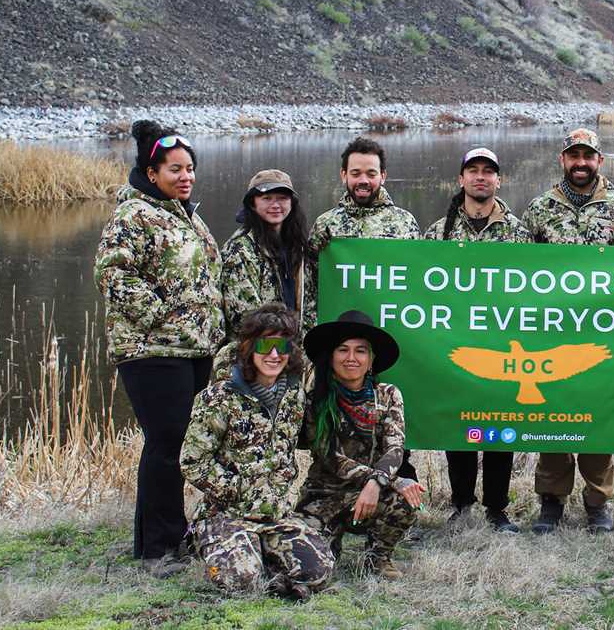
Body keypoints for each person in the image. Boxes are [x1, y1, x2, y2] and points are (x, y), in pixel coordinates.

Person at [94, 120, 223, 575]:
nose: (185, 177)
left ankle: (159, 536)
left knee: (177, 443)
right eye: (175, 170)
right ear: (152, 173)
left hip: (193, 349)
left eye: (189, 169)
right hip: (153, 351)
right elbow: (113, 275)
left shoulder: (186, 215)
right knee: (166, 443)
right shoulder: (133, 216)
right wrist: (165, 319)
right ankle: (158, 550)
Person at [521, 127, 614, 534]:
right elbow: (519, 275)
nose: (581, 163)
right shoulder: (538, 210)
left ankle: (597, 502)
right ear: (563, 160)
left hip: (601, 334)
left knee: (597, 418)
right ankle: (551, 501)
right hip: (551, 332)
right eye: (574, 155)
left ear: (599, 161)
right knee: (551, 416)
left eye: (588, 156)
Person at [179, 304, 333, 599]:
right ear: (249, 347)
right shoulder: (219, 398)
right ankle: (214, 544)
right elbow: (192, 461)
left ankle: (263, 559)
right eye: (266, 345)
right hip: (226, 514)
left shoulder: (293, 395)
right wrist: (239, 490)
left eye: (283, 346)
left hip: (275, 515)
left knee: (319, 571)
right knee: (242, 583)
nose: (274, 355)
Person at [423, 147, 531, 533]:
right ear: (461, 179)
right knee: (461, 425)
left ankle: (497, 508)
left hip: (504, 344)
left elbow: (536, 288)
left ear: (498, 180)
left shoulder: (519, 233)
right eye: (473, 171)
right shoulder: (440, 231)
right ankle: (461, 503)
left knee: (500, 426)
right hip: (457, 346)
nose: (480, 177)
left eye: (488, 171)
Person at [306, 137, 422, 482]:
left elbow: (419, 284)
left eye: (370, 173)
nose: (363, 180)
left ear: (383, 176)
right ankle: (341, 486)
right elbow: (313, 285)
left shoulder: (405, 224)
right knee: (340, 420)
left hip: (390, 338)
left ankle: (396, 478)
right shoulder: (326, 225)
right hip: (345, 346)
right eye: (356, 173)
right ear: (344, 175)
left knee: (390, 414)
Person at [294, 310, 425, 579]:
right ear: (331, 356)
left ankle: (378, 558)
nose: (351, 358)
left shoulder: (388, 394)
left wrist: (378, 484)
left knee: (405, 499)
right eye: (343, 350)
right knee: (314, 565)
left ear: (371, 360)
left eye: (360, 351)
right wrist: (379, 479)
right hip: (323, 495)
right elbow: (329, 456)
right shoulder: (314, 398)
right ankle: (330, 542)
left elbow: (395, 448)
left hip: (372, 492)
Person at [219, 169, 313, 344]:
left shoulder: (297, 246)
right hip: (256, 352)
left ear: (292, 203)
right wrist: (279, 344)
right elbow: (243, 317)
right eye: (267, 198)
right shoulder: (240, 249)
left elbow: (308, 304)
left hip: (291, 351)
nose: (275, 205)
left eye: (282, 198)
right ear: (253, 203)